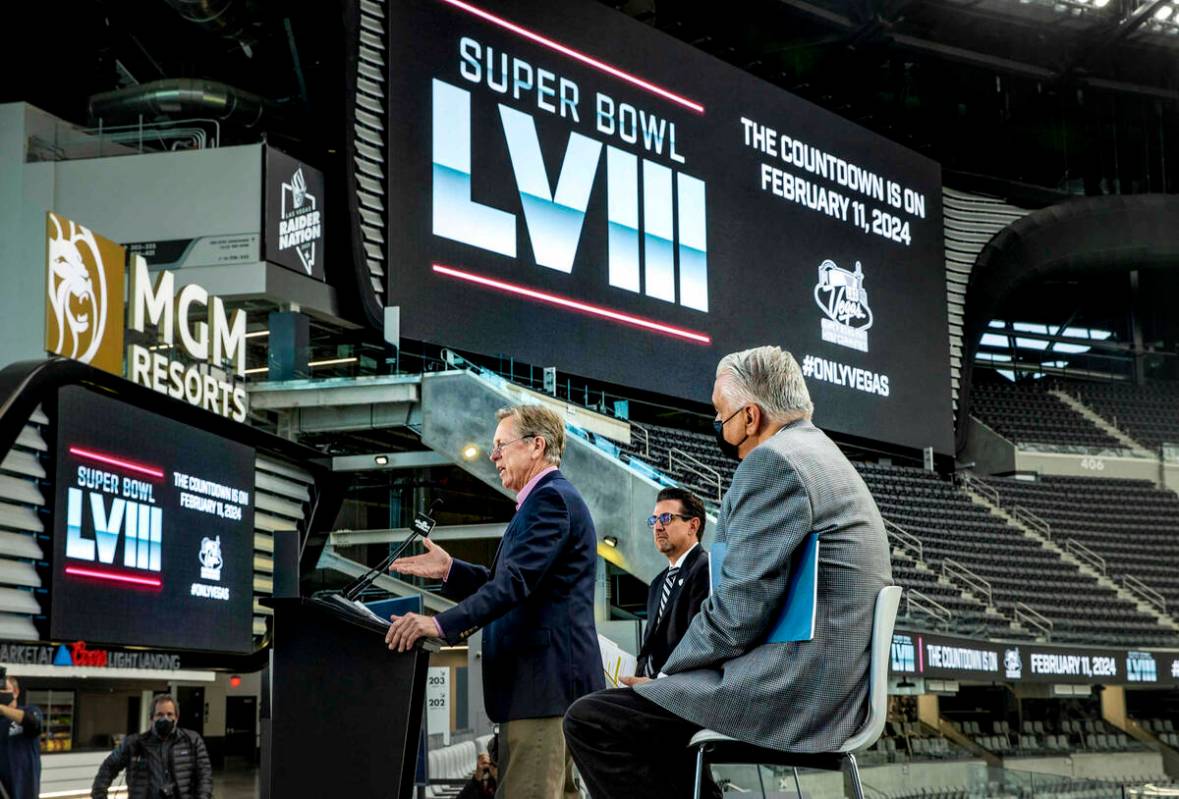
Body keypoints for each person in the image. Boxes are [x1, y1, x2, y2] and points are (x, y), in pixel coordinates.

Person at [564, 345, 893, 799]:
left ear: (751, 417)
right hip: (828, 686)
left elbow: (739, 609)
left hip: (792, 692)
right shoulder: (822, 455)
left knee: (591, 720)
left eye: (721, 416)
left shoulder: (773, 462)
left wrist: (666, 679)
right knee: (653, 726)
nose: (718, 427)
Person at [386, 404, 603, 799]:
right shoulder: (546, 502)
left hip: (542, 693)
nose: (493, 455)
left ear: (536, 446)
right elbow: (511, 583)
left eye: (501, 444)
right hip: (545, 693)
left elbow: (513, 584)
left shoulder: (550, 501)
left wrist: (438, 624)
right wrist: (450, 569)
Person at [630, 488, 710, 680]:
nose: (657, 527)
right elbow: (648, 646)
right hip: (648, 687)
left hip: (679, 688)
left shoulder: (705, 569)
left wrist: (657, 682)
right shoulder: (657, 583)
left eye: (666, 518)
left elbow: (697, 642)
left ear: (693, 526)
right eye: (654, 521)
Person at [92, 694, 212, 799]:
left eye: (169, 714)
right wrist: (99, 795)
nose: (165, 719)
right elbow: (108, 767)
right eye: (159, 714)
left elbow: (205, 776)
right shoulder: (134, 744)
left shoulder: (192, 740)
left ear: (177, 717)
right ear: (151, 718)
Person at [0, 675, 43, 799]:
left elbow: (33, 722)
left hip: (24, 790)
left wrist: (2, 708)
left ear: (16, 692)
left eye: (4, 689)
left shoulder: (31, 711)